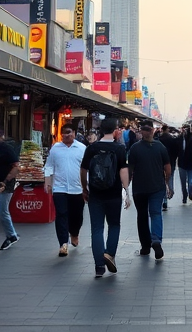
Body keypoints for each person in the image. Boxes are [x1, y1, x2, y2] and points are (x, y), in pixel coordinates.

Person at [80, 118, 131, 278]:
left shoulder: (92, 148)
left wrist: (84, 188)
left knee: (97, 228)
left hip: (95, 193)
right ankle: (109, 254)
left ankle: (99, 267)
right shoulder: (119, 148)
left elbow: (83, 170)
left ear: (101, 130)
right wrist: (126, 191)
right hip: (114, 194)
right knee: (114, 225)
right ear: (115, 130)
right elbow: (123, 170)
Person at [127, 120, 172, 261]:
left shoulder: (134, 148)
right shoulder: (160, 147)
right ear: (153, 131)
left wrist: (126, 187)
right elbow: (168, 168)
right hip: (157, 187)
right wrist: (166, 182)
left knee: (142, 216)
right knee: (156, 213)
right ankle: (156, 240)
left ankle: (145, 246)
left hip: (139, 188)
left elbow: (130, 169)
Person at [44, 124, 86, 257]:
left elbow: (87, 169)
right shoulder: (55, 148)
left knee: (76, 215)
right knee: (61, 214)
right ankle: (63, 243)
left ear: (74, 132)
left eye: (69, 132)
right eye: (64, 133)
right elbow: (49, 166)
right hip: (59, 188)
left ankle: (74, 233)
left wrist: (88, 187)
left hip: (77, 188)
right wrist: (47, 182)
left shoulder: (82, 148)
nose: (66, 135)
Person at [157, 125, 182, 212]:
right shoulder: (172, 140)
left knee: (162, 180)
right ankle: (170, 190)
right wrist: (174, 159)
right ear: (167, 130)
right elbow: (176, 151)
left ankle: (164, 200)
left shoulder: (158, 139)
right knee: (170, 176)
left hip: (160, 163)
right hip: (171, 162)